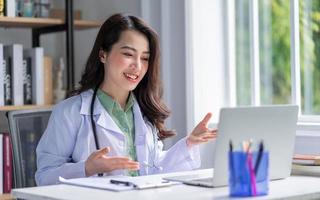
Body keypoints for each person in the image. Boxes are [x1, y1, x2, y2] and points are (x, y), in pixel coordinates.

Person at [35, 13, 217, 186]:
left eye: (145, 58)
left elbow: (154, 170)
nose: (137, 66)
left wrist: (189, 143)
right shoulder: (71, 112)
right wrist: (86, 168)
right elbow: (44, 177)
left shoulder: (144, 112)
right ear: (103, 54)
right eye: (128, 54)